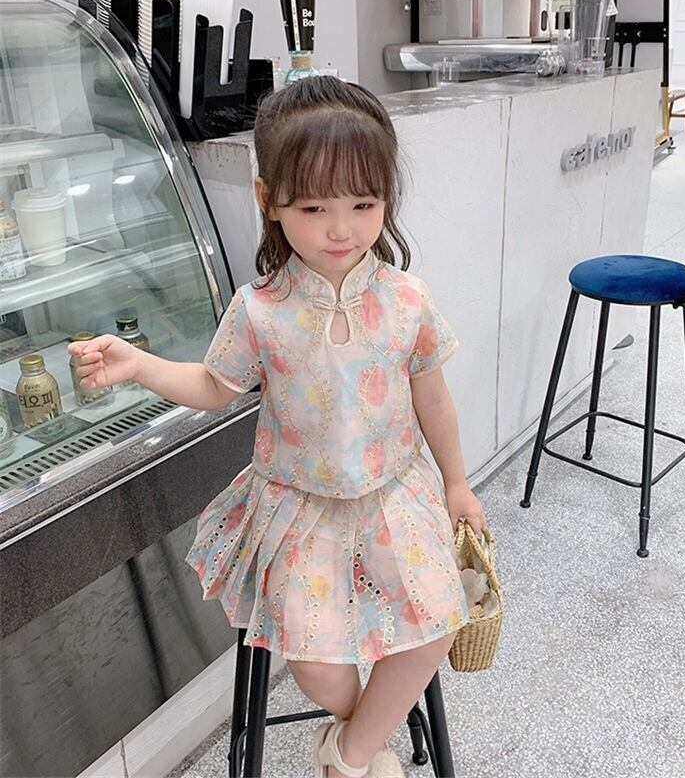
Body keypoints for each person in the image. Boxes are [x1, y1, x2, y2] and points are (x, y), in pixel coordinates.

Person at [68, 76, 486, 778]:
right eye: (314, 207)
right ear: (268, 199)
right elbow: (213, 386)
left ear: (386, 198)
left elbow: (433, 400)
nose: (341, 229)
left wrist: (458, 483)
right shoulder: (260, 309)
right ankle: (365, 740)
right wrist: (139, 365)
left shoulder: (407, 299)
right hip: (299, 510)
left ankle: (346, 756)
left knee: (434, 629)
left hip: (394, 498)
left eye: (364, 204)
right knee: (315, 663)